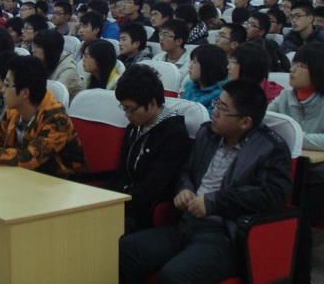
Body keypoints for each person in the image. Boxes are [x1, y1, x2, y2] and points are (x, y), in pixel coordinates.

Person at [119, 79, 293, 284]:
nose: (214, 112)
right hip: (188, 223)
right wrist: (184, 190)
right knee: (126, 250)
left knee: (175, 275)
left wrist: (214, 202)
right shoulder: (207, 133)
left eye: (222, 109)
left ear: (245, 122)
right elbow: (185, 171)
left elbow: (272, 195)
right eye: (216, 103)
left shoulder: (271, 148)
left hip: (227, 236)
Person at [268, 43, 324, 284]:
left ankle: (300, 278)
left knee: (297, 210)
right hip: (301, 177)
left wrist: (294, 136)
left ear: (319, 71)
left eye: (300, 66)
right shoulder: (286, 96)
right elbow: (265, 123)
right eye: (294, 64)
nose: (292, 70)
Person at [0, 56, 87, 179]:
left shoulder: (56, 119)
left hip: (60, 184)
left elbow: (29, 158)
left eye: (7, 85)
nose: (3, 90)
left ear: (24, 93)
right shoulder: (14, 111)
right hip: (24, 178)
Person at [105, 64, 191, 234]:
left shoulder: (174, 134)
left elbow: (153, 187)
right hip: (123, 202)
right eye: (124, 108)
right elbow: (122, 172)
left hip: (143, 214)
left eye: (130, 108)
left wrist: (115, 204)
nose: (127, 114)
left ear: (152, 103)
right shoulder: (135, 127)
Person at [32, 29, 82, 99]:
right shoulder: (43, 62)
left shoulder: (68, 70)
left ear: (49, 50)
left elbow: (53, 97)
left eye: (38, 47)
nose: (33, 51)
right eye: (34, 46)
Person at [180, 45, 228, 113]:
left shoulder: (220, 96)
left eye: (194, 62)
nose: (190, 66)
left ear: (207, 66)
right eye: (191, 61)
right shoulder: (190, 87)